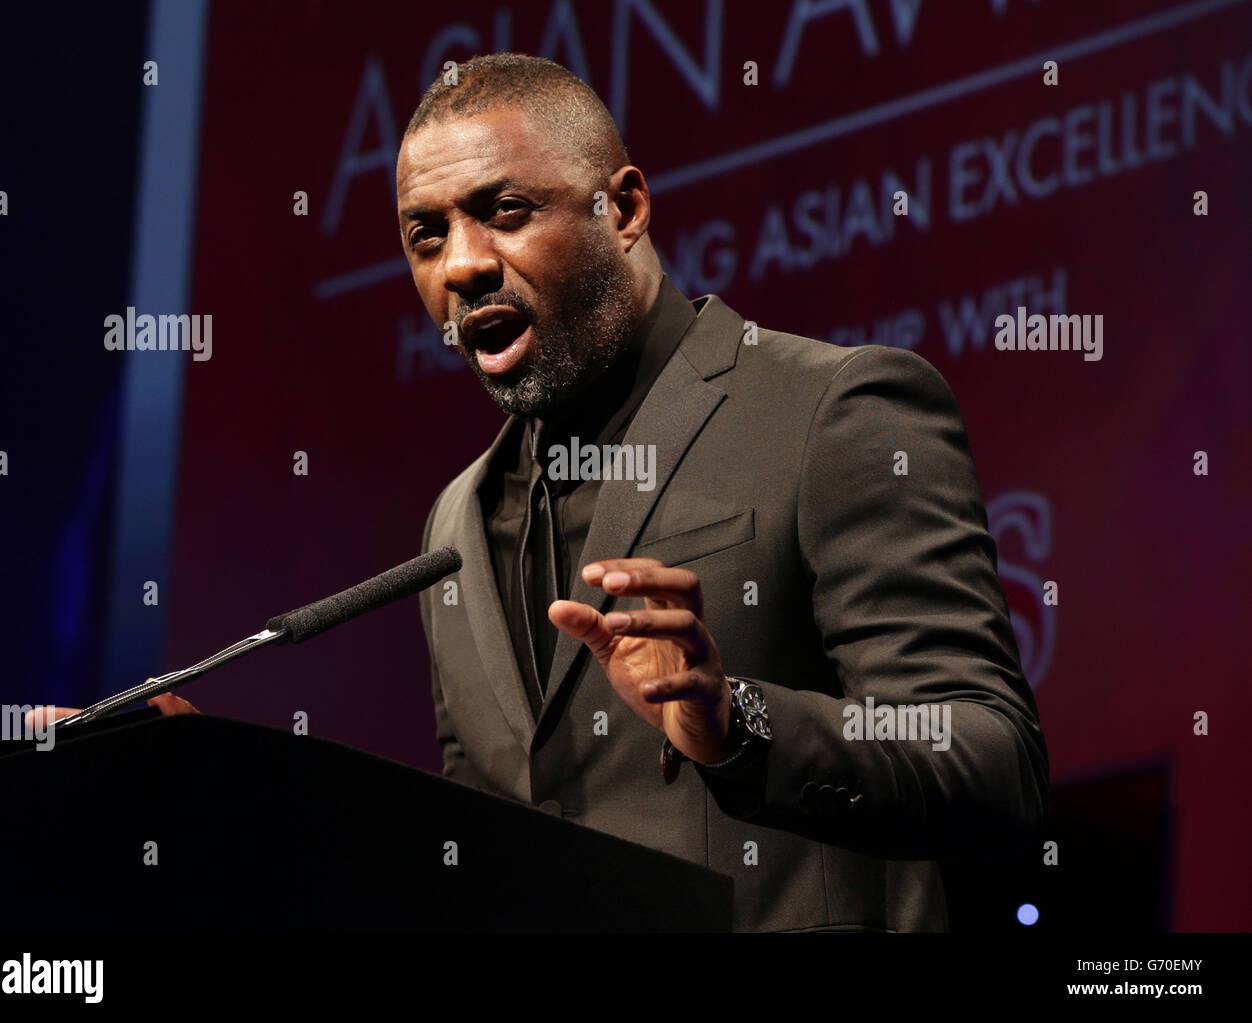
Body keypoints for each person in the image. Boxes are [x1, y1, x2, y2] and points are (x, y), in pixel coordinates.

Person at [407, 54, 1049, 932]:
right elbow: (481, 852)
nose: (463, 266)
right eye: (426, 236)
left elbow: (991, 760)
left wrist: (736, 722)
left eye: (504, 212)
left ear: (624, 209)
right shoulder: (456, 525)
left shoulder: (833, 409)